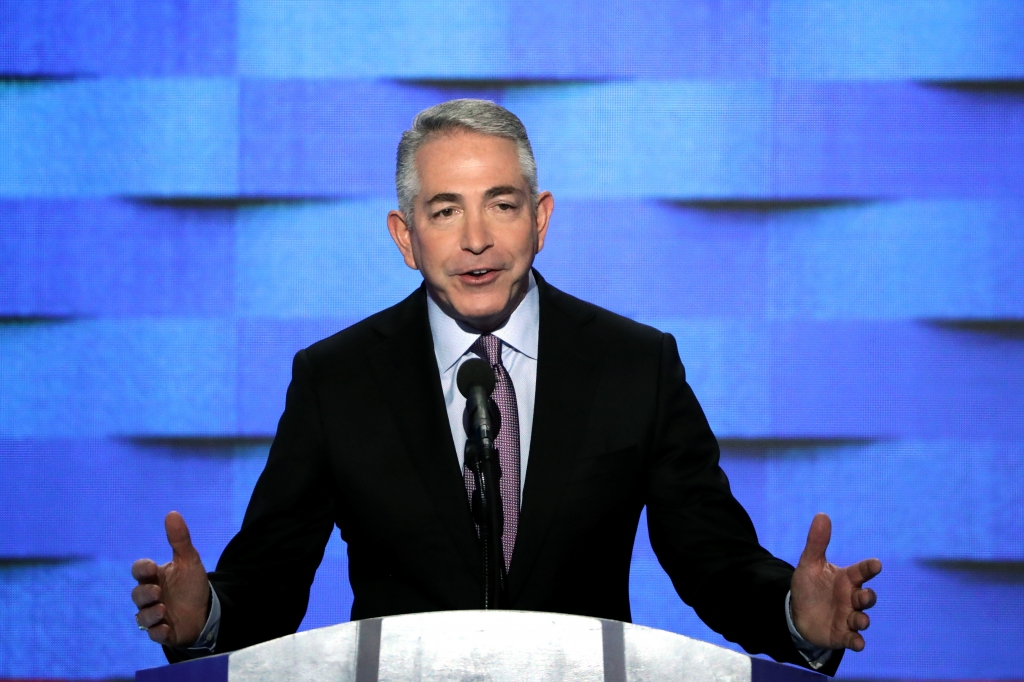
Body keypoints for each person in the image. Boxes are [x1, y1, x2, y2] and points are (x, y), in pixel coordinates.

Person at [131, 99, 880, 675]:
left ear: (540, 218)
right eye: (445, 210)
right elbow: (271, 577)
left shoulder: (635, 364)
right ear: (405, 236)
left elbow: (711, 559)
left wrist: (794, 613)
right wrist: (205, 618)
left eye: (502, 203)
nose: (477, 238)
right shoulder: (337, 377)